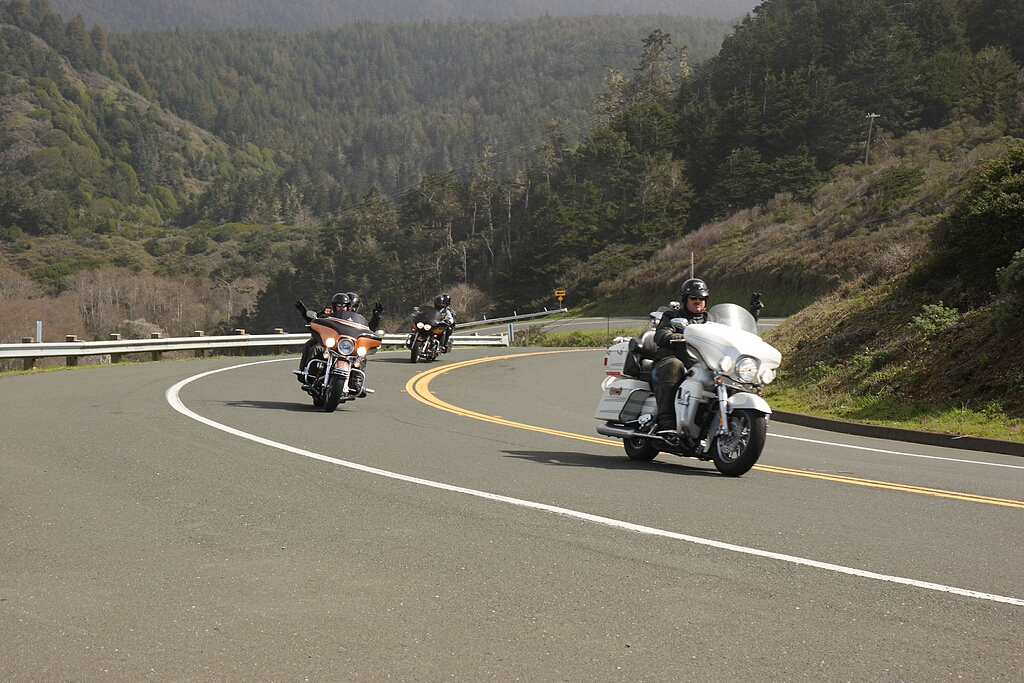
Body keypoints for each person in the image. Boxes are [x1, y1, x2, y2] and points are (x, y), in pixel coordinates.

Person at [652, 278, 709, 434]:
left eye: (702, 298)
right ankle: (666, 420)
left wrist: (753, 316)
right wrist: (671, 336)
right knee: (673, 365)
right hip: (671, 360)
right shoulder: (672, 316)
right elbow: (661, 332)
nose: (698, 301)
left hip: (701, 364)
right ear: (685, 299)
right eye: (694, 298)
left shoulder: (710, 320)